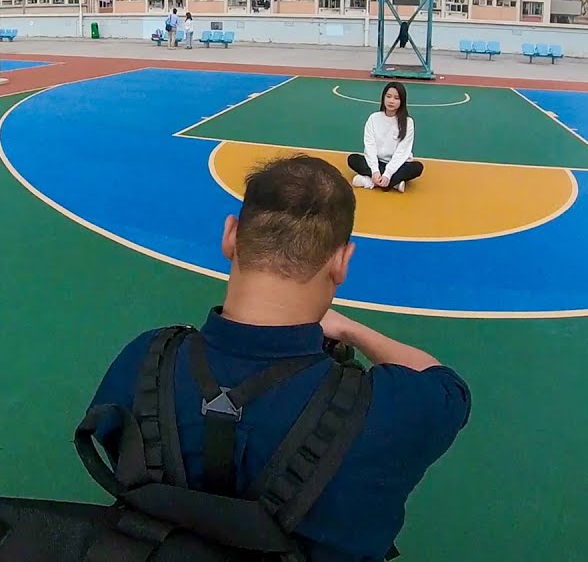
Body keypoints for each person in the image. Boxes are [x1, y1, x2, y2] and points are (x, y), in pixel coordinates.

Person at [85, 154, 470, 561]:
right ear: (342, 262)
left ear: (230, 237)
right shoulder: (390, 409)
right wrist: (350, 329)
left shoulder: (144, 360)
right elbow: (447, 386)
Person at [348, 81, 424, 192]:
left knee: (417, 167)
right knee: (353, 159)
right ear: (383, 98)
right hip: (378, 162)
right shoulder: (373, 118)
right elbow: (370, 146)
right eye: (388, 96)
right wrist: (375, 170)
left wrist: (388, 174)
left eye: (396, 98)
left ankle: (369, 182)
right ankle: (394, 184)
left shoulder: (408, 122)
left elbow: (402, 151)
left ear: (402, 101)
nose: (391, 101)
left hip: (399, 164)